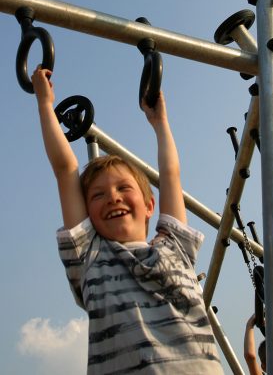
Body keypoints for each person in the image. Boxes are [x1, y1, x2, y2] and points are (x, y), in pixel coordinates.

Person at [32, 66, 224, 375]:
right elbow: (65, 169)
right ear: (89, 214)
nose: (112, 197)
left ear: (150, 206)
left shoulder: (175, 246)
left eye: (123, 188)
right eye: (97, 195)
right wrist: (44, 104)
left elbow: (171, 174)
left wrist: (160, 122)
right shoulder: (90, 256)